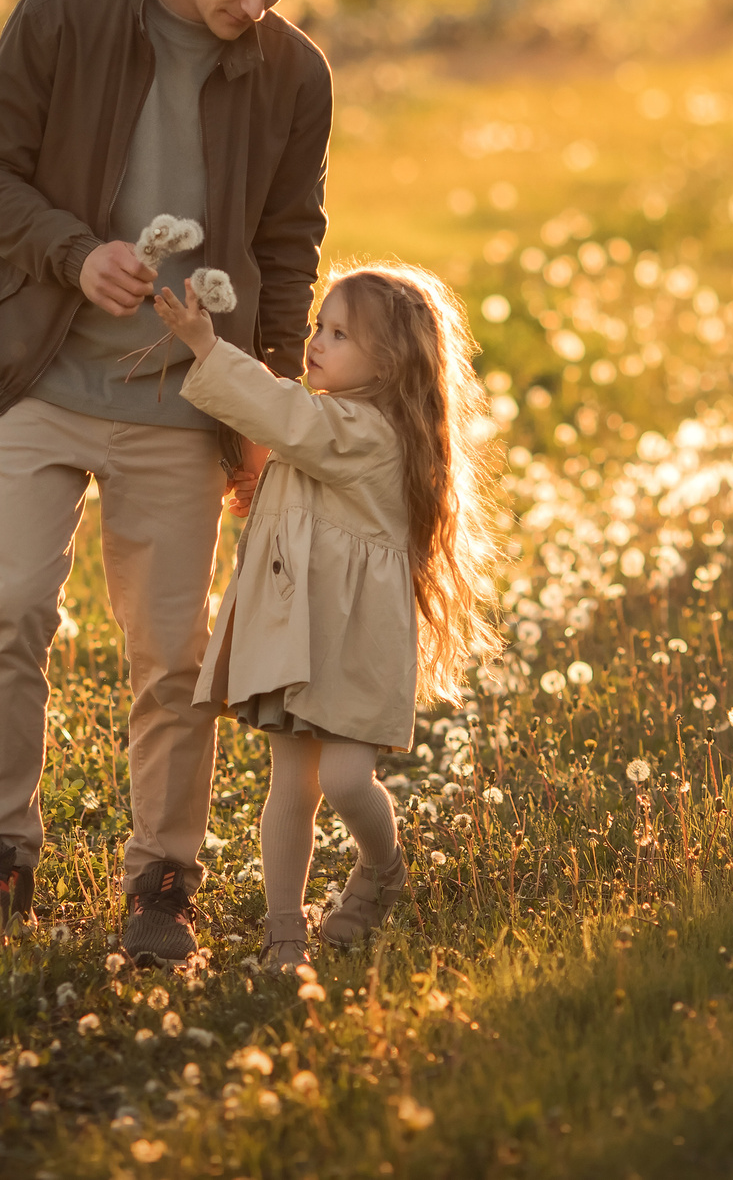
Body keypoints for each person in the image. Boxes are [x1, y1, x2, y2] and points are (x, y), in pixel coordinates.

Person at [0, 0, 333, 963]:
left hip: (181, 403)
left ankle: (162, 882)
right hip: (41, 371)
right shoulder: (60, 20)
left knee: (171, 655)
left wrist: (265, 409)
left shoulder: (293, 77)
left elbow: (287, 244)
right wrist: (74, 256)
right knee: (10, 612)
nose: (252, 7)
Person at [149, 261, 503, 969]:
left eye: (339, 334)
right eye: (320, 325)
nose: (316, 341)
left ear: (390, 360)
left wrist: (205, 346)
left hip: (350, 638)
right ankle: (286, 929)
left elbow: (287, 417)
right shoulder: (336, 422)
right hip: (297, 632)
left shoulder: (365, 431)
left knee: (343, 779)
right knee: (291, 784)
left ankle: (383, 868)